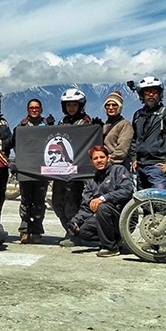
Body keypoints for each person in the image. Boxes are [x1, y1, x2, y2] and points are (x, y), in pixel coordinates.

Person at [51, 88, 101, 247]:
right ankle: (71, 228)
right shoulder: (62, 122)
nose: (71, 108)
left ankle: (73, 234)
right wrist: (48, 128)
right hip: (60, 171)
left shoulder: (86, 123)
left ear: (81, 105)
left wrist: (97, 129)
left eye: (74, 105)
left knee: (72, 203)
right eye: (68, 105)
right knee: (57, 202)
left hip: (77, 173)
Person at [67, 145, 133, 257]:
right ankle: (115, 240)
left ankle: (110, 248)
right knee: (81, 231)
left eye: (102, 157)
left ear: (108, 158)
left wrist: (103, 198)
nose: (99, 161)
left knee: (102, 207)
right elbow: (86, 207)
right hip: (106, 218)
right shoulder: (92, 182)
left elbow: (127, 190)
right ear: (91, 162)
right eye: (95, 159)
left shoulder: (118, 170)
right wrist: (75, 222)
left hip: (124, 217)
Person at [125, 76, 166, 189]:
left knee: (160, 202)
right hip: (140, 167)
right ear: (142, 95)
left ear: (160, 94)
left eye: (154, 91)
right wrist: (134, 158)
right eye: (147, 92)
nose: (151, 95)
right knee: (142, 202)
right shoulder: (138, 115)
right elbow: (134, 139)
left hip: (159, 167)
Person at [16, 98, 55, 244]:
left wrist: (53, 127)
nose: (34, 110)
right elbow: (16, 144)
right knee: (25, 201)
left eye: (37, 107)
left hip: (43, 170)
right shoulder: (21, 126)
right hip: (26, 169)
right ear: (27, 110)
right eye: (31, 107)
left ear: (41, 109)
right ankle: (24, 230)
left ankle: (37, 231)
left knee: (39, 201)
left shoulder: (48, 125)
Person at [101, 90, 132, 166]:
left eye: (114, 105)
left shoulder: (125, 125)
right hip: (103, 163)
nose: (110, 108)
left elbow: (122, 148)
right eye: (108, 105)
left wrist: (109, 160)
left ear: (119, 107)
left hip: (117, 165)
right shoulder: (104, 125)